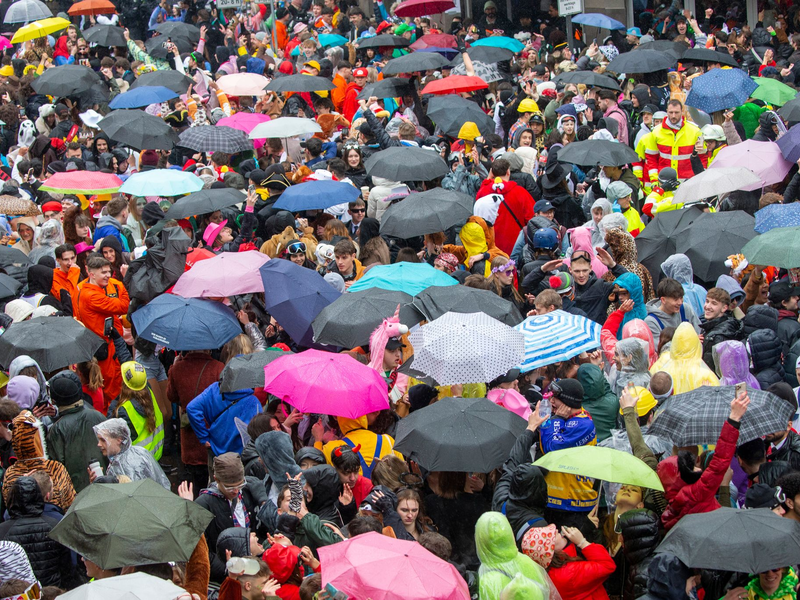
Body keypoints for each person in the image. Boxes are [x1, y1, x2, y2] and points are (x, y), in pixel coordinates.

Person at [660, 390, 748, 530]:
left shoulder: (670, 508)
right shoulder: (697, 492)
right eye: (691, 466)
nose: (698, 468)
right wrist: (734, 418)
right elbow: (720, 461)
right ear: (684, 475)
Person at [189, 452, 267, 583]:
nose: (236, 491)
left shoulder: (249, 491)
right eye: (230, 487)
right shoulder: (203, 504)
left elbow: (259, 529)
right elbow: (202, 550)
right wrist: (229, 571)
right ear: (216, 479)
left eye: (240, 485)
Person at [538, 378, 597, 529]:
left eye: (554, 398)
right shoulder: (564, 417)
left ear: (566, 403)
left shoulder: (583, 423)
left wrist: (555, 419)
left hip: (573, 503)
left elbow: (553, 448)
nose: (550, 401)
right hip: (555, 499)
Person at [74, 256, 130, 407]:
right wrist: (120, 284)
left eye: (108, 272)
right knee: (112, 390)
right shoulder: (93, 296)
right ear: (91, 274)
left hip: (99, 347)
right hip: (105, 350)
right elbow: (124, 306)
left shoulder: (82, 288)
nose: (108, 275)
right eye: (103, 272)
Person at [0, 477, 73, 588]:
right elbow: (67, 567)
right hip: (52, 592)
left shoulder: (3, 530)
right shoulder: (54, 525)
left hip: (18, 594)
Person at [45, 371, 107, 493]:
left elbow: (57, 470)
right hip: (106, 487)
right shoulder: (98, 416)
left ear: (55, 400)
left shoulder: (56, 430)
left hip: (76, 497)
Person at [522, 523, 616, 600]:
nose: (556, 530)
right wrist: (582, 542)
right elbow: (607, 565)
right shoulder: (569, 573)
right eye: (553, 535)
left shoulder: (552, 569)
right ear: (551, 551)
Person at [92, 418, 170, 489]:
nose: (99, 444)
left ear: (119, 440)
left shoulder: (127, 465)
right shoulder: (139, 452)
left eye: (103, 440)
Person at [111, 361, 165, 460]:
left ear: (124, 383)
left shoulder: (124, 410)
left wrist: (113, 407)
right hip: (155, 456)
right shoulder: (149, 393)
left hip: (139, 464)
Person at [644, 99, 704, 183]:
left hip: (688, 183)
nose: (673, 116)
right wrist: (654, 180)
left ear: (682, 112)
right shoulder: (656, 132)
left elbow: (703, 158)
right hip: (664, 183)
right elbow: (651, 159)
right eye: (671, 112)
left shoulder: (695, 131)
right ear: (667, 111)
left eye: (676, 112)